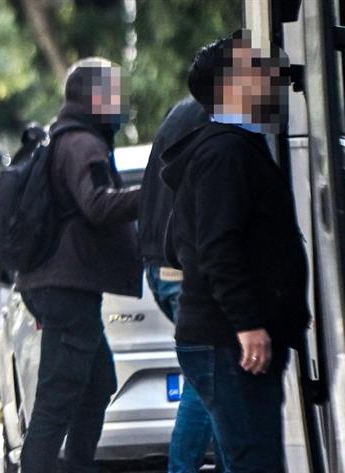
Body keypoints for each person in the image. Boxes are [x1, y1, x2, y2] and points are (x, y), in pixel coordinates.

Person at [161, 31, 306, 473]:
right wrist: (247, 324)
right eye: (257, 68)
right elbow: (216, 248)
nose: (271, 76)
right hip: (229, 343)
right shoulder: (224, 152)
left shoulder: (235, 145)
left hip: (229, 340)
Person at [13, 57, 141, 473]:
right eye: (116, 93)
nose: (122, 102)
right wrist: (153, 193)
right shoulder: (83, 143)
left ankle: (77, 465)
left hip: (59, 284)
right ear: (97, 98)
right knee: (56, 399)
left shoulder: (64, 139)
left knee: (98, 383)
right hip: (65, 287)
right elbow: (97, 204)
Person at [140, 96, 223, 473]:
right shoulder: (219, 116)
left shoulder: (180, 113)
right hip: (185, 267)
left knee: (215, 378)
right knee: (210, 379)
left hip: (161, 264)